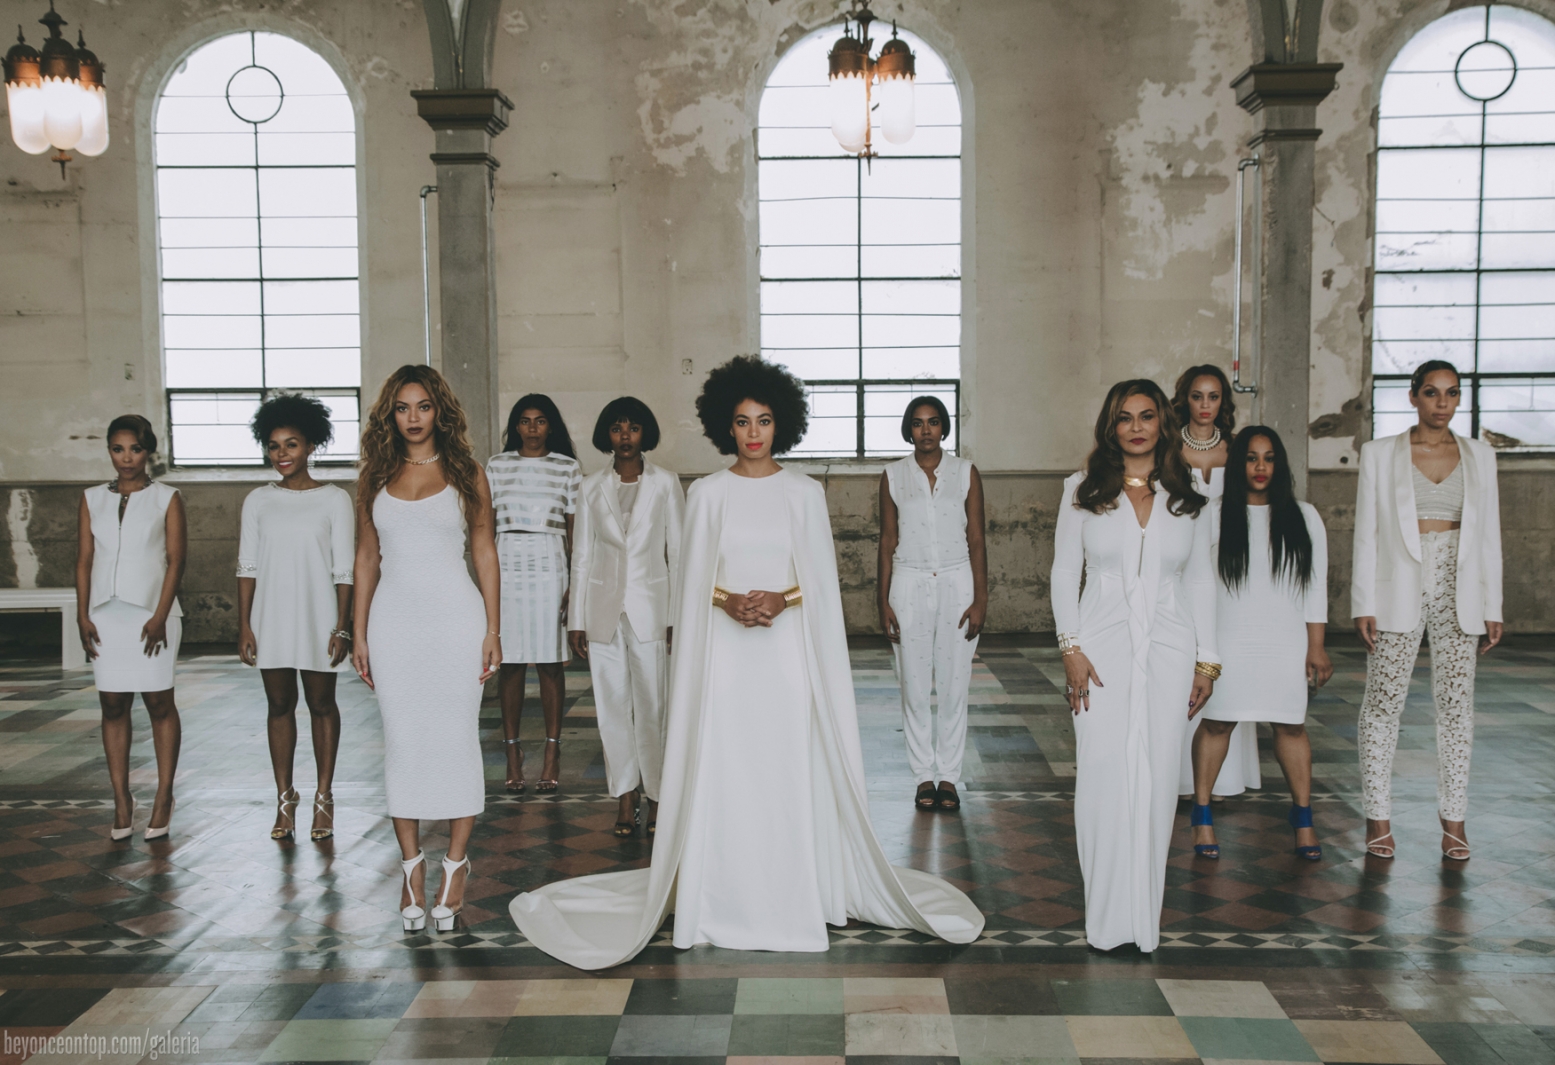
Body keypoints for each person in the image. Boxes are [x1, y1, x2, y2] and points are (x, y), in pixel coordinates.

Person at [510, 356, 984, 968]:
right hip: (727, 656)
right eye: (742, 422)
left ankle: (795, 886)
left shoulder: (804, 493)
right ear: (725, 427)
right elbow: (691, 577)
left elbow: (819, 582)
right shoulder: (707, 493)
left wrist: (782, 598)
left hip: (786, 655)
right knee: (730, 763)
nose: (753, 432)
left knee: (784, 762)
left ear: (780, 423)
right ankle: (721, 889)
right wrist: (726, 599)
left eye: (763, 421)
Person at [1051, 379, 1217, 953]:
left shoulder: (1189, 492)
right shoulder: (1081, 489)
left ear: (1162, 424)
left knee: (1156, 779)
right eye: (1125, 417)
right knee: (1102, 774)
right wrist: (1070, 648)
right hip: (1098, 649)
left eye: (1147, 416)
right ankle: (1106, 919)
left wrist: (1208, 661)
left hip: (1171, 647)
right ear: (1111, 426)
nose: (1137, 427)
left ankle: (1143, 920)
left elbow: (1201, 580)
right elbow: (1062, 572)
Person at [352, 365, 502, 933]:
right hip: (393, 624)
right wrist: (358, 632)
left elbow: (484, 551)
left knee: (457, 739)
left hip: (456, 622)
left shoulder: (467, 472)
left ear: (440, 411)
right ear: (389, 415)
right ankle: (412, 869)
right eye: (402, 408)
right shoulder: (374, 476)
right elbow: (366, 558)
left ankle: (456, 865)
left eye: (423, 406)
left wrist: (493, 629)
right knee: (404, 741)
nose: (413, 418)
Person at [1352, 360, 1502, 862]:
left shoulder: (1481, 455)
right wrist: (1363, 602)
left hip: (1460, 585)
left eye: (1452, 393)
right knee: (1382, 704)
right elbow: (1366, 531)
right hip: (1397, 585)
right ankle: (1378, 818)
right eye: (1433, 392)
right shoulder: (1380, 453)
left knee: (1457, 707)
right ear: (1413, 396)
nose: (1443, 403)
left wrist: (1494, 603)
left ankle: (1454, 821)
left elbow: (1490, 535)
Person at [1189, 427, 1332, 861]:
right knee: (1218, 724)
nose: (1260, 467)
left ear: (1279, 464)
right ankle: (1202, 816)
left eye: (1269, 458)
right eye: (1251, 458)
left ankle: (1303, 819)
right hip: (1229, 640)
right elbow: (1195, 583)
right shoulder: (1213, 515)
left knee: (1290, 726)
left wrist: (1316, 646)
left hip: (1285, 642)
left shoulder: (1305, 516)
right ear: (1238, 465)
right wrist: (1202, 649)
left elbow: (1315, 587)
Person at [236, 394, 355, 843]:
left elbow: (344, 571)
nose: (282, 454)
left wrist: (342, 625)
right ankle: (285, 799)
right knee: (279, 706)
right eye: (273, 446)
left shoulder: (335, 500)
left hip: (320, 617)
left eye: (291, 444)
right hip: (270, 617)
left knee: (322, 705)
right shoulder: (257, 501)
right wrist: (245, 625)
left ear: (311, 446)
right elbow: (247, 567)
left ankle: (324, 797)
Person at [568, 397, 683, 838]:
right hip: (602, 610)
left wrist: (677, 614)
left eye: (633, 428)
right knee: (611, 708)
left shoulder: (666, 483)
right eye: (617, 429)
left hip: (652, 610)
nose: (625, 437)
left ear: (644, 433)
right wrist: (576, 619)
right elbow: (582, 556)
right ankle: (625, 795)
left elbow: (679, 552)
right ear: (607, 435)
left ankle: (658, 796)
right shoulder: (590, 486)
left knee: (653, 706)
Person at [74, 414, 185, 842]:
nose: (126, 458)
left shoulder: (167, 498)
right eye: (118, 449)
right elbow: (84, 560)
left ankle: (163, 796)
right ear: (109, 451)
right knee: (112, 705)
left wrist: (159, 615)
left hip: (153, 616)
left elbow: (176, 561)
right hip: (105, 615)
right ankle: (122, 799)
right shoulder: (91, 499)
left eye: (135, 449)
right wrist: (83, 614)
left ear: (148, 452)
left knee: (159, 703)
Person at [878, 395, 987, 812]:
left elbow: (976, 538)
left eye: (934, 422)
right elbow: (887, 541)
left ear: (944, 428)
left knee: (955, 686)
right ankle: (924, 775)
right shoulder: (893, 476)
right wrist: (883, 600)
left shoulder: (965, 472)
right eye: (918, 423)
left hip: (958, 583)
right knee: (914, 686)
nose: (926, 430)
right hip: (908, 584)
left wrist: (981, 598)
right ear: (909, 429)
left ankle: (950, 777)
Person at [1171, 364, 1258, 800]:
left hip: (1229, 565)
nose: (1205, 405)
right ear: (1184, 399)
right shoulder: (1168, 448)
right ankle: (1179, 777)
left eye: (1214, 396)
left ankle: (1221, 777)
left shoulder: (1238, 449)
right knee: (1182, 653)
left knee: (1224, 656)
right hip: (1180, 563)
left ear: (1223, 401)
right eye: (1197, 396)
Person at [487, 395, 581, 795]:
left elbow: (576, 530)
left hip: (550, 560)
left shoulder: (567, 467)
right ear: (516, 426)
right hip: (507, 559)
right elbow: (485, 526)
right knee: (509, 664)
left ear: (550, 426)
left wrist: (575, 580)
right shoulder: (497, 465)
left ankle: (552, 752)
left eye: (540, 421)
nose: (532, 428)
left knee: (549, 664)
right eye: (525, 421)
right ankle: (513, 752)